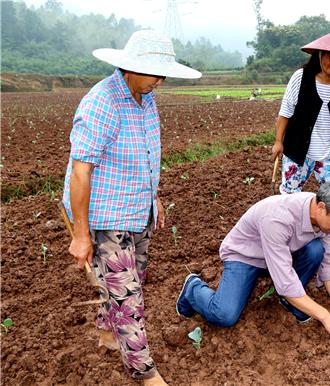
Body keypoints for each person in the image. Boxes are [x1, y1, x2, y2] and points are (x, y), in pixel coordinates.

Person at [62, 30, 201, 386]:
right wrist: (81, 235)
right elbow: (81, 170)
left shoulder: (144, 96)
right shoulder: (102, 103)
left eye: (162, 73)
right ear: (128, 67)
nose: (160, 80)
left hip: (136, 211)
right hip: (105, 216)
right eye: (153, 72)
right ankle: (146, 375)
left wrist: (152, 196)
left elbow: (143, 152)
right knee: (128, 298)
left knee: (132, 281)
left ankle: (108, 334)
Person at [176, 180, 330, 346]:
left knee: (317, 250)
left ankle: (292, 301)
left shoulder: (320, 213)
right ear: (321, 207)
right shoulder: (278, 219)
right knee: (224, 315)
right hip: (245, 256)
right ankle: (193, 287)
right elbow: (285, 281)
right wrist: (326, 317)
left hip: (281, 254)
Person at [270, 30, 330, 255]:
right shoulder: (300, 77)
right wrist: (278, 142)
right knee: (289, 196)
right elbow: (285, 111)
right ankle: (286, 241)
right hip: (299, 151)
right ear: (320, 54)